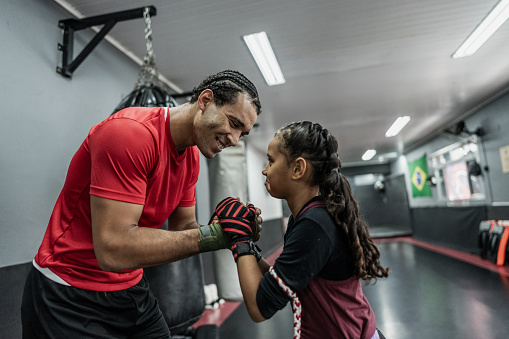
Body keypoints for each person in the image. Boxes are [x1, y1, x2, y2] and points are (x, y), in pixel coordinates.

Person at [21, 70, 262, 338]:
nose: (234, 140)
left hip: (130, 287)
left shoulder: (191, 158)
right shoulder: (130, 134)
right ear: (205, 100)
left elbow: (183, 227)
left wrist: (223, 228)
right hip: (69, 292)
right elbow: (112, 250)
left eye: (243, 133)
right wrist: (212, 237)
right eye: (233, 123)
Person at [217, 121, 389, 339]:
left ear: (298, 169)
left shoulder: (314, 225)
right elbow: (281, 282)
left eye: (271, 161)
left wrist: (239, 240)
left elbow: (260, 308)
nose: (264, 170)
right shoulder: (306, 218)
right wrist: (249, 247)